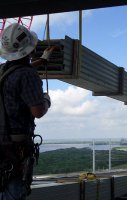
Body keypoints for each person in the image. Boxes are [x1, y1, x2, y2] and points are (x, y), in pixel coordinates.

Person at [0, 23, 53, 200]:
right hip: (15, 151)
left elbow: (17, 72)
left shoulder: (2, 70)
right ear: (29, 49)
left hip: (2, 146)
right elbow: (37, 111)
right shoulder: (28, 75)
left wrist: (42, 61)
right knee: (13, 190)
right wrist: (46, 100)